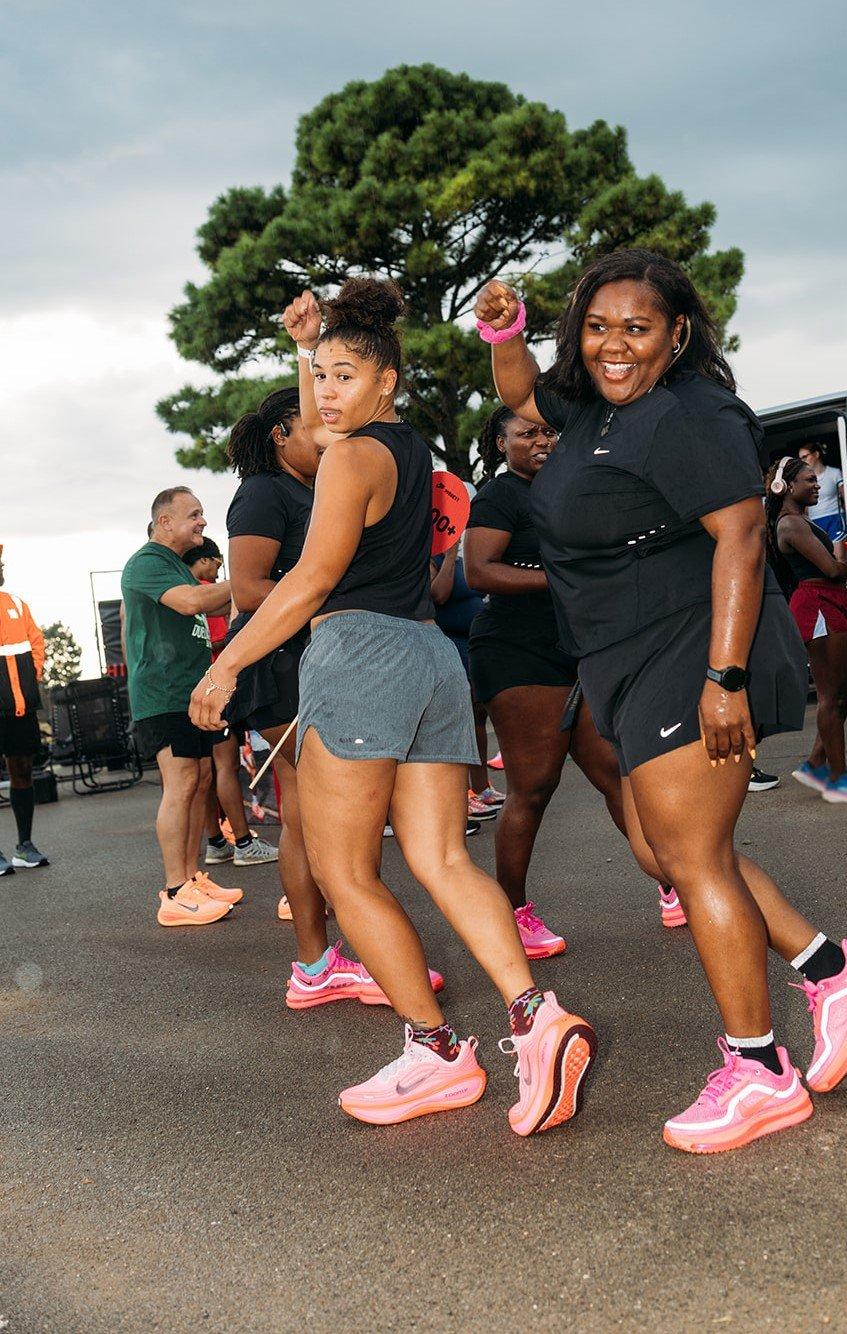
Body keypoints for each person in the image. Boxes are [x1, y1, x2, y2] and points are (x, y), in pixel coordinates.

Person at [476, 248, 847, 1153]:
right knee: (669, 846)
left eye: (636, 329)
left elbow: (743, 536)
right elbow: (518, 387)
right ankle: (836, 971)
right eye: (595, 328)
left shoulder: (690, 414)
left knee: (693, 858)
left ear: (677, 334)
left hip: (690, 645)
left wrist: (722, 679)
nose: (613, 347)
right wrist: (502, 326)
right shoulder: (588, 405)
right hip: (619, 655)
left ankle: (758, 1070)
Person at [190, 278, 595, 1136]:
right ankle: (535, 1019)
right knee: (444, 858)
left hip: (361, 655)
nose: (325, 393)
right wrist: (311, 352)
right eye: (319, 379)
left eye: (343, 376)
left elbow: (309, 579)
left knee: (344, 872)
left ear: (384, 384)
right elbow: (335, 408)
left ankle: (438, 1052)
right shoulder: (406, 447)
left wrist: (225, 666)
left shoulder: (347, 457)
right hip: (428, 657)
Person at [224, 386, 441, 1006]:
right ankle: (321, 960)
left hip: (324, 654)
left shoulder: (322, 481)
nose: (322, 426)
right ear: (279, 435)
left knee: (308, 815)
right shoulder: (265, 492)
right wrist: (324, 593)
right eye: (307, 420)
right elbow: (246, 588)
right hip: (280, 663)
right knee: (318, 817)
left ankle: (320, 963)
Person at [465, 406, 676, 950]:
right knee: (533, 788)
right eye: (526, 432)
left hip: (575, 649)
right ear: (499, 443)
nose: (541, 440)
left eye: (548, 431)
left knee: (613, 768)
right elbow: (479, 570)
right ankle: (510, 912)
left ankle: (674, 881)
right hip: (516, 652)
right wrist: (562, 582)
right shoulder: (499, 496)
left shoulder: (570, 488)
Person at [122, 489, 242, 926]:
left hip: (189, 691)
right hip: (163, 693)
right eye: (193, 515)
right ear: (164, 521)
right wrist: (249, 579)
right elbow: (191, 603)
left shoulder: (175, 564)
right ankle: (175, 893)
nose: (202, 521)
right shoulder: (147, 561)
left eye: (202, 514)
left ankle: (191, 878)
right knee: (181, 781)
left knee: (201, 778)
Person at [767, 459, 847, 802]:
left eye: (816, 480)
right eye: (808, 480)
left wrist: (846, 565)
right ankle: (837, 779)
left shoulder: (801, 521)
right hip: (816, 604)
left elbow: (833, 567)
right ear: (784, 486)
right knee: (833, 695)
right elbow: (831, 567)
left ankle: (816, 763)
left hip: (827, 602)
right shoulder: (790, 524)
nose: (817, 485)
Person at [182, 538, 279, 869]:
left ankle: (216, 842)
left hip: (193, 688)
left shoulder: (182, 592)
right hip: (215, 688)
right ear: (205, 561)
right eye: (217, 562)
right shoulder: (204, 592)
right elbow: (229, 638)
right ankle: (242, 842)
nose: (220, 568)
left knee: (206, 772)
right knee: (224, 766)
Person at [428, 540, 502, 825]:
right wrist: (447, 556)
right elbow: (440, 593)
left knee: (478, 719)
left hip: (474, 645)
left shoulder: (462, 556)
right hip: (452, 644)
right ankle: (464, 794)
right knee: (462, 724)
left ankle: (482, 787)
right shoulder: (433, 555)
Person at [0, 547, 48, 874]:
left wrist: (31, 683)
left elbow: (37, 644)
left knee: (22, 771)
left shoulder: (16, 604)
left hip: (19, 706)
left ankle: (24, 846)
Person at [798, 441, 846, 541]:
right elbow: (804, 506)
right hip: (814, 521)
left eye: (805, 457)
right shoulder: (803, 479)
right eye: (800, 458)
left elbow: (846, 498)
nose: (802, 461)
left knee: (839, 555)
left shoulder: (834, 473)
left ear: (816, 454)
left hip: (835, 518)